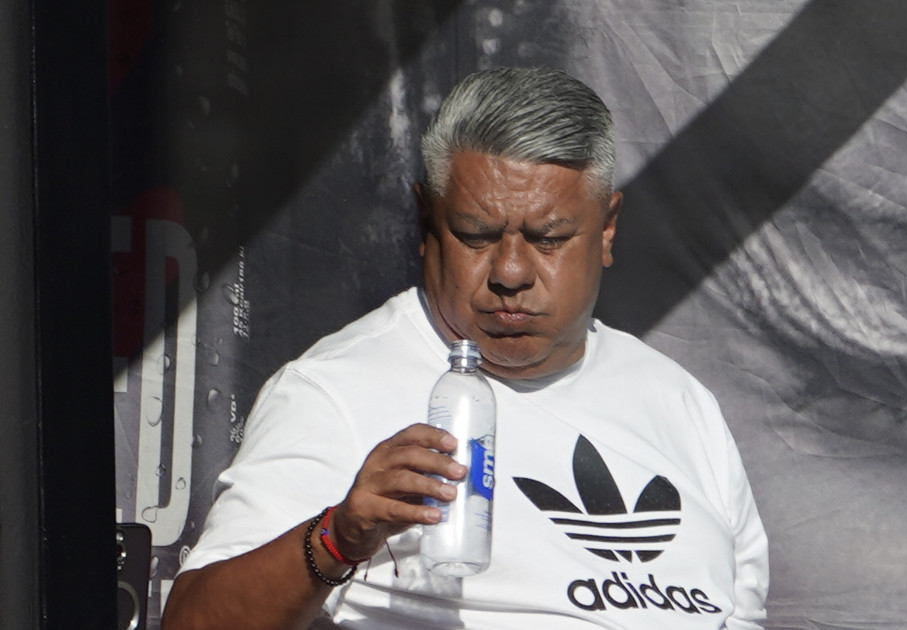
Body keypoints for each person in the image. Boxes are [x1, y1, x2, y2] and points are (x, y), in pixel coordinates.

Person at [162, 67, 769, 630]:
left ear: (607, 228)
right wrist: (338, 539)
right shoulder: (332, 391)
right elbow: (193, 621)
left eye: (548, 239)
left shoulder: (683, 403)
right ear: (426, 220)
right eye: (476, 235)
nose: (510, 272)